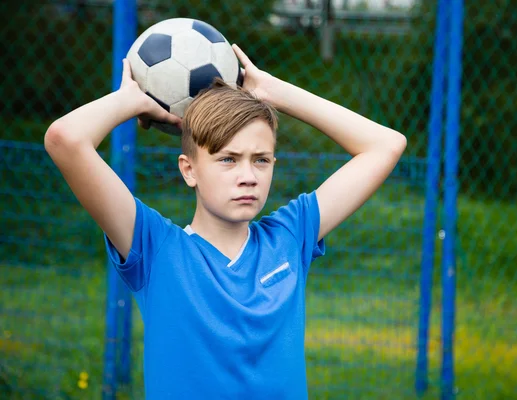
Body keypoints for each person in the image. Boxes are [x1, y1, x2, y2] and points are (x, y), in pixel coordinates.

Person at [44, 44, 407, 399]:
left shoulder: (290, 236)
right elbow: (65, 139)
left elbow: (386, 145)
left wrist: (274, 93)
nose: (248, 176)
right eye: (228, 160)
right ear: (189, 170)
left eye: (261, 160)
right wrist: (132, 99)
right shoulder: (154, 248)